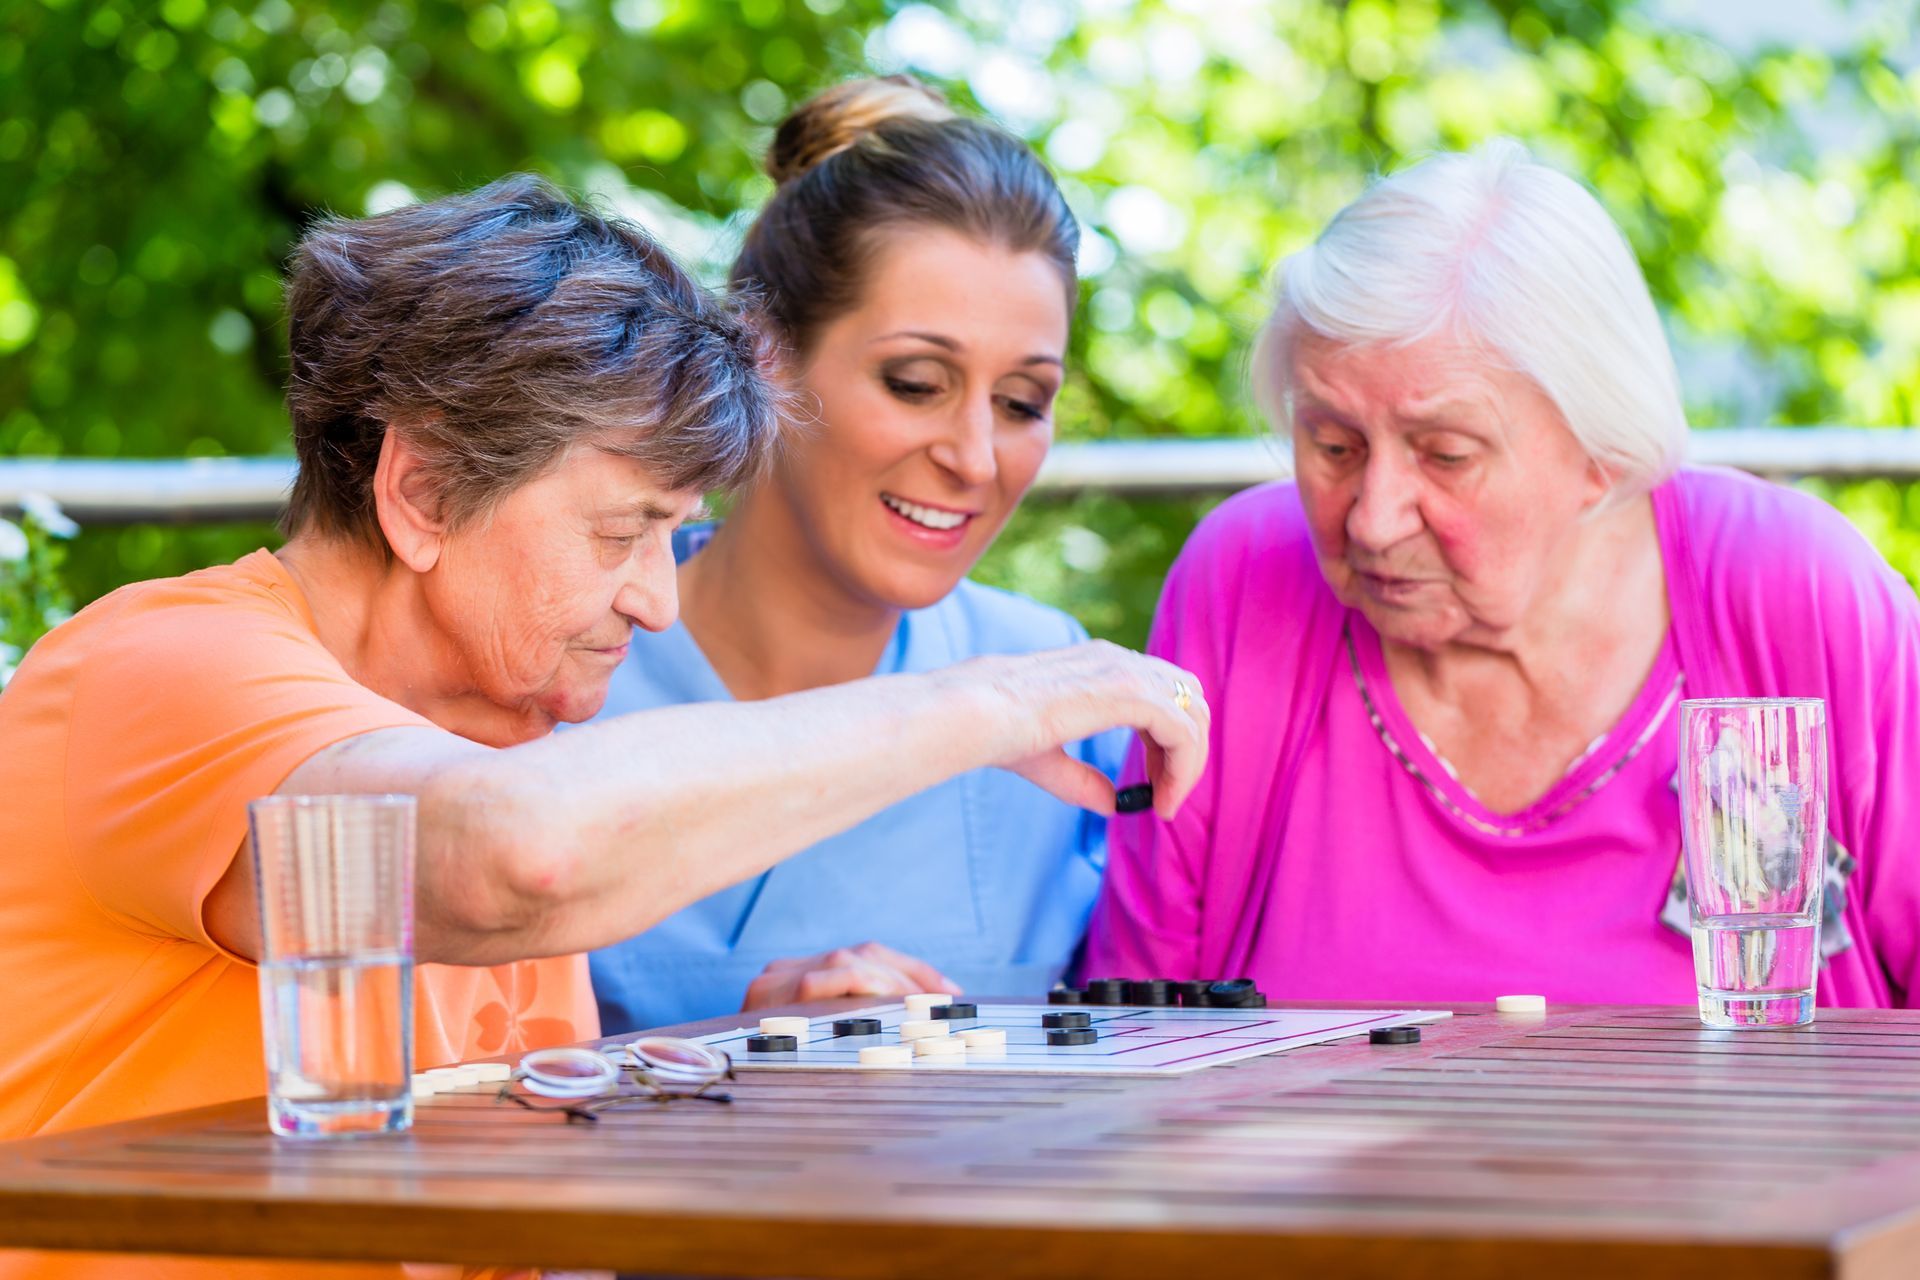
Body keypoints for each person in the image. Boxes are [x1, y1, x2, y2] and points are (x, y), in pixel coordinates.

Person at [0, 174, 1208, 1280]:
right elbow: (513, 857)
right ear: (421, 491)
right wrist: (992, 703)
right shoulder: (162, 669)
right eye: (620, 530)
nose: (657, 595)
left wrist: (746, 1055)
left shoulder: (507, 743)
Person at [1087, 139, 1920, 1007]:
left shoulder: (1788, 589)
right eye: (1332, 445)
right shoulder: (1245, 580)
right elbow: (1136, 1029)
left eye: (1445, 455)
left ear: (1604, 452)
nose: (1371, 518)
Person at [586, 76, 1124, 1034]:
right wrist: (724, 1046)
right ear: (764, 353)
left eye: (1021, 403)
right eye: (916, 383)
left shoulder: (1063, 697)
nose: (973, 457)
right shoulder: (559, 673)